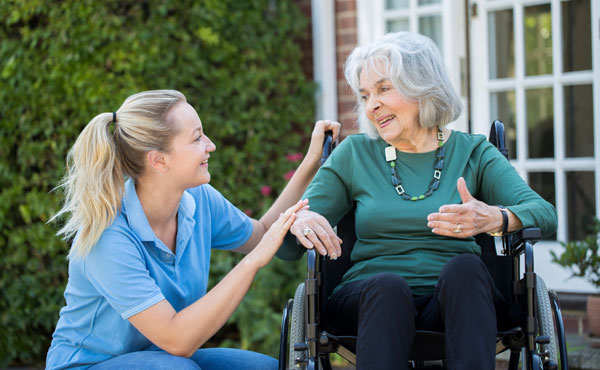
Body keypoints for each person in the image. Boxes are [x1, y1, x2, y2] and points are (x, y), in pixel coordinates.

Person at [277, 32, 557, 370]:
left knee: (467, 269)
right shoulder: (355, 154)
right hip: (370, 302)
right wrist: (301, 221)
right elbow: (287, 249)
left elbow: (545, 214)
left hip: (456, 303)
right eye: (365, 95)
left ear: (422, 87)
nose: (371, 106)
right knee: (388, 287)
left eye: (384, 89)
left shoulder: (473, 151)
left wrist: (496, 218)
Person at [45, 90, 341, 370]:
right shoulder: (108, 236)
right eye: (197, 138)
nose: (210, 145)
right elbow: (178, 340)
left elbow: (263, 234)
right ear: (158, 160)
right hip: (90, 365)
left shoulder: (198, 200)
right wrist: (252, 262)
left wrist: (311, 161)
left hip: (161, 357)